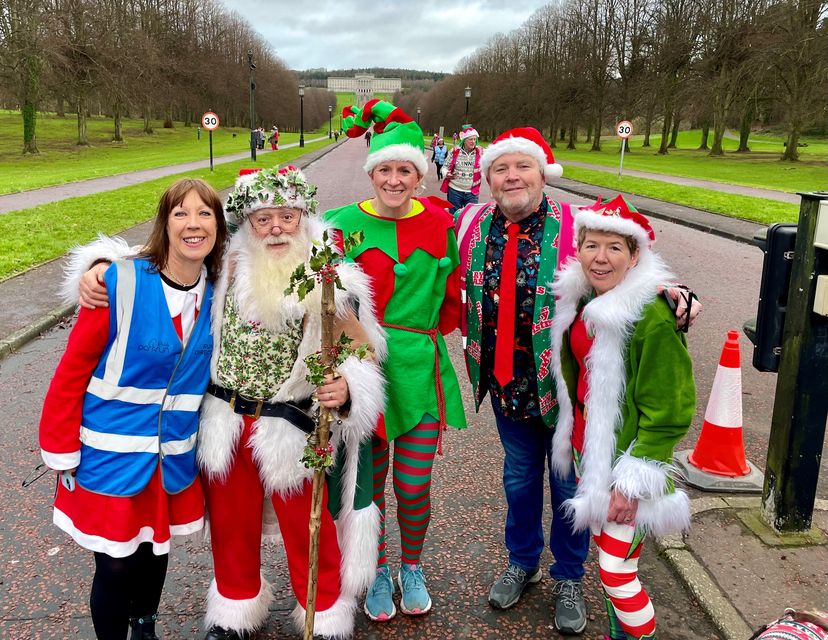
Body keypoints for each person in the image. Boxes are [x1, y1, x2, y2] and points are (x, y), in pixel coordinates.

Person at [73, 167, 387, 640]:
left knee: (306, 526)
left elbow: (360, 350)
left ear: (304, 216)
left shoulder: (328, 276)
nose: (276, 228)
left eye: (287, 216)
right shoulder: (226, 264)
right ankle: (235, 610)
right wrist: (98, 267)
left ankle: (322, 613)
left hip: (294, 426)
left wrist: (347, 388)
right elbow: (164, 257)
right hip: (225, 419)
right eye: (263, 219)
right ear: (247, 224)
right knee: (231, 525)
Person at [454, 127, 701, 635]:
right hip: (507, 388)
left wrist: (673, 291)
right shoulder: (468, 222)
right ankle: (522, 562)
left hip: (569, 395)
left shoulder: (574, 224)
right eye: (501, 168)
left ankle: (569, 575)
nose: (512, 176)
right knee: (519, 480)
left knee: (571, 484)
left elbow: (622, 260)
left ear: (544, 173)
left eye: (522, 166)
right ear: (488, 178)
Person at [40, 178, 228, 640]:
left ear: (219, 229)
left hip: (173, 455)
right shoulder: (118, 282)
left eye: (205, 213)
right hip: (110, 453)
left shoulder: (222, 291)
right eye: (181, 213)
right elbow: (72, 371)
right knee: (116, 563)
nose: (193, 224)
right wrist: (60, 449)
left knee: (155, 550)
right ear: (164, 223)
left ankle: (145, 626)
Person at [327, 99, 467, 622]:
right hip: (365, 369)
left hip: (419, 369)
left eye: (404, 169)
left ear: (419, 173)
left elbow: (458, 292)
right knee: (368, 481)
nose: (394, 178)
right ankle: (377, 568)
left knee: (412, 484)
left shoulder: (442, 224)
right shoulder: (339, 224)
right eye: (384, 169)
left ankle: (412, 565)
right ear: (371, 172)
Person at [549, 195, 696, 639]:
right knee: (615, 567)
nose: (601, 257)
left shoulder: (650, 316)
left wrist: (631, 482)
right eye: (592, 245)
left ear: (636, 256)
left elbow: (669, 408)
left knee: (616, 573)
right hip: (589, 456)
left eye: (615, 247)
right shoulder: (578, 301)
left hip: (626, 466)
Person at [441, 124, 482, 217]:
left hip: (472, 192)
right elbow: (444, 167)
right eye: (470, 139)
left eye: (475, 139)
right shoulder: (454, 151)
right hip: (455, 190)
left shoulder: (480, 152)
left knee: (471, 218)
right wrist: (447, 174)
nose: (473, 142)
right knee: (454, 216)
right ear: (464, 140)